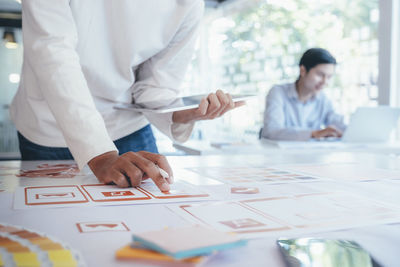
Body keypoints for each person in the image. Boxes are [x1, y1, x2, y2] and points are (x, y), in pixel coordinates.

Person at [10, 1, 243, 192]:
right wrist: (99, 153)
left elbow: (155, 87)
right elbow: (52, 51)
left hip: (127, 128)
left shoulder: (190, 5)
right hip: (50, 127)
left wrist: (179, 113)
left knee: (154, 225)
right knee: (56, 230)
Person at [261, 48, 346, 141]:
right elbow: (271, 131)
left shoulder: (323, 99)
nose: (325, 82)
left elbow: (339, 124)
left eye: (329, 77)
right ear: (303, 70)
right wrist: (314, 133)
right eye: (320, 75)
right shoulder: (278, 93)